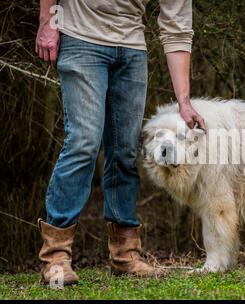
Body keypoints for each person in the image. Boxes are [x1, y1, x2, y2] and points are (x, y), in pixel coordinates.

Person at [35, 0, 205, 285]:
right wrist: (47, 21)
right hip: (81, 38)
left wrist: (184, 102)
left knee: (125, 151)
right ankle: (56, 257)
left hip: (131, 48)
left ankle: (125, 256)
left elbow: (177, 28)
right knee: (83, 143)